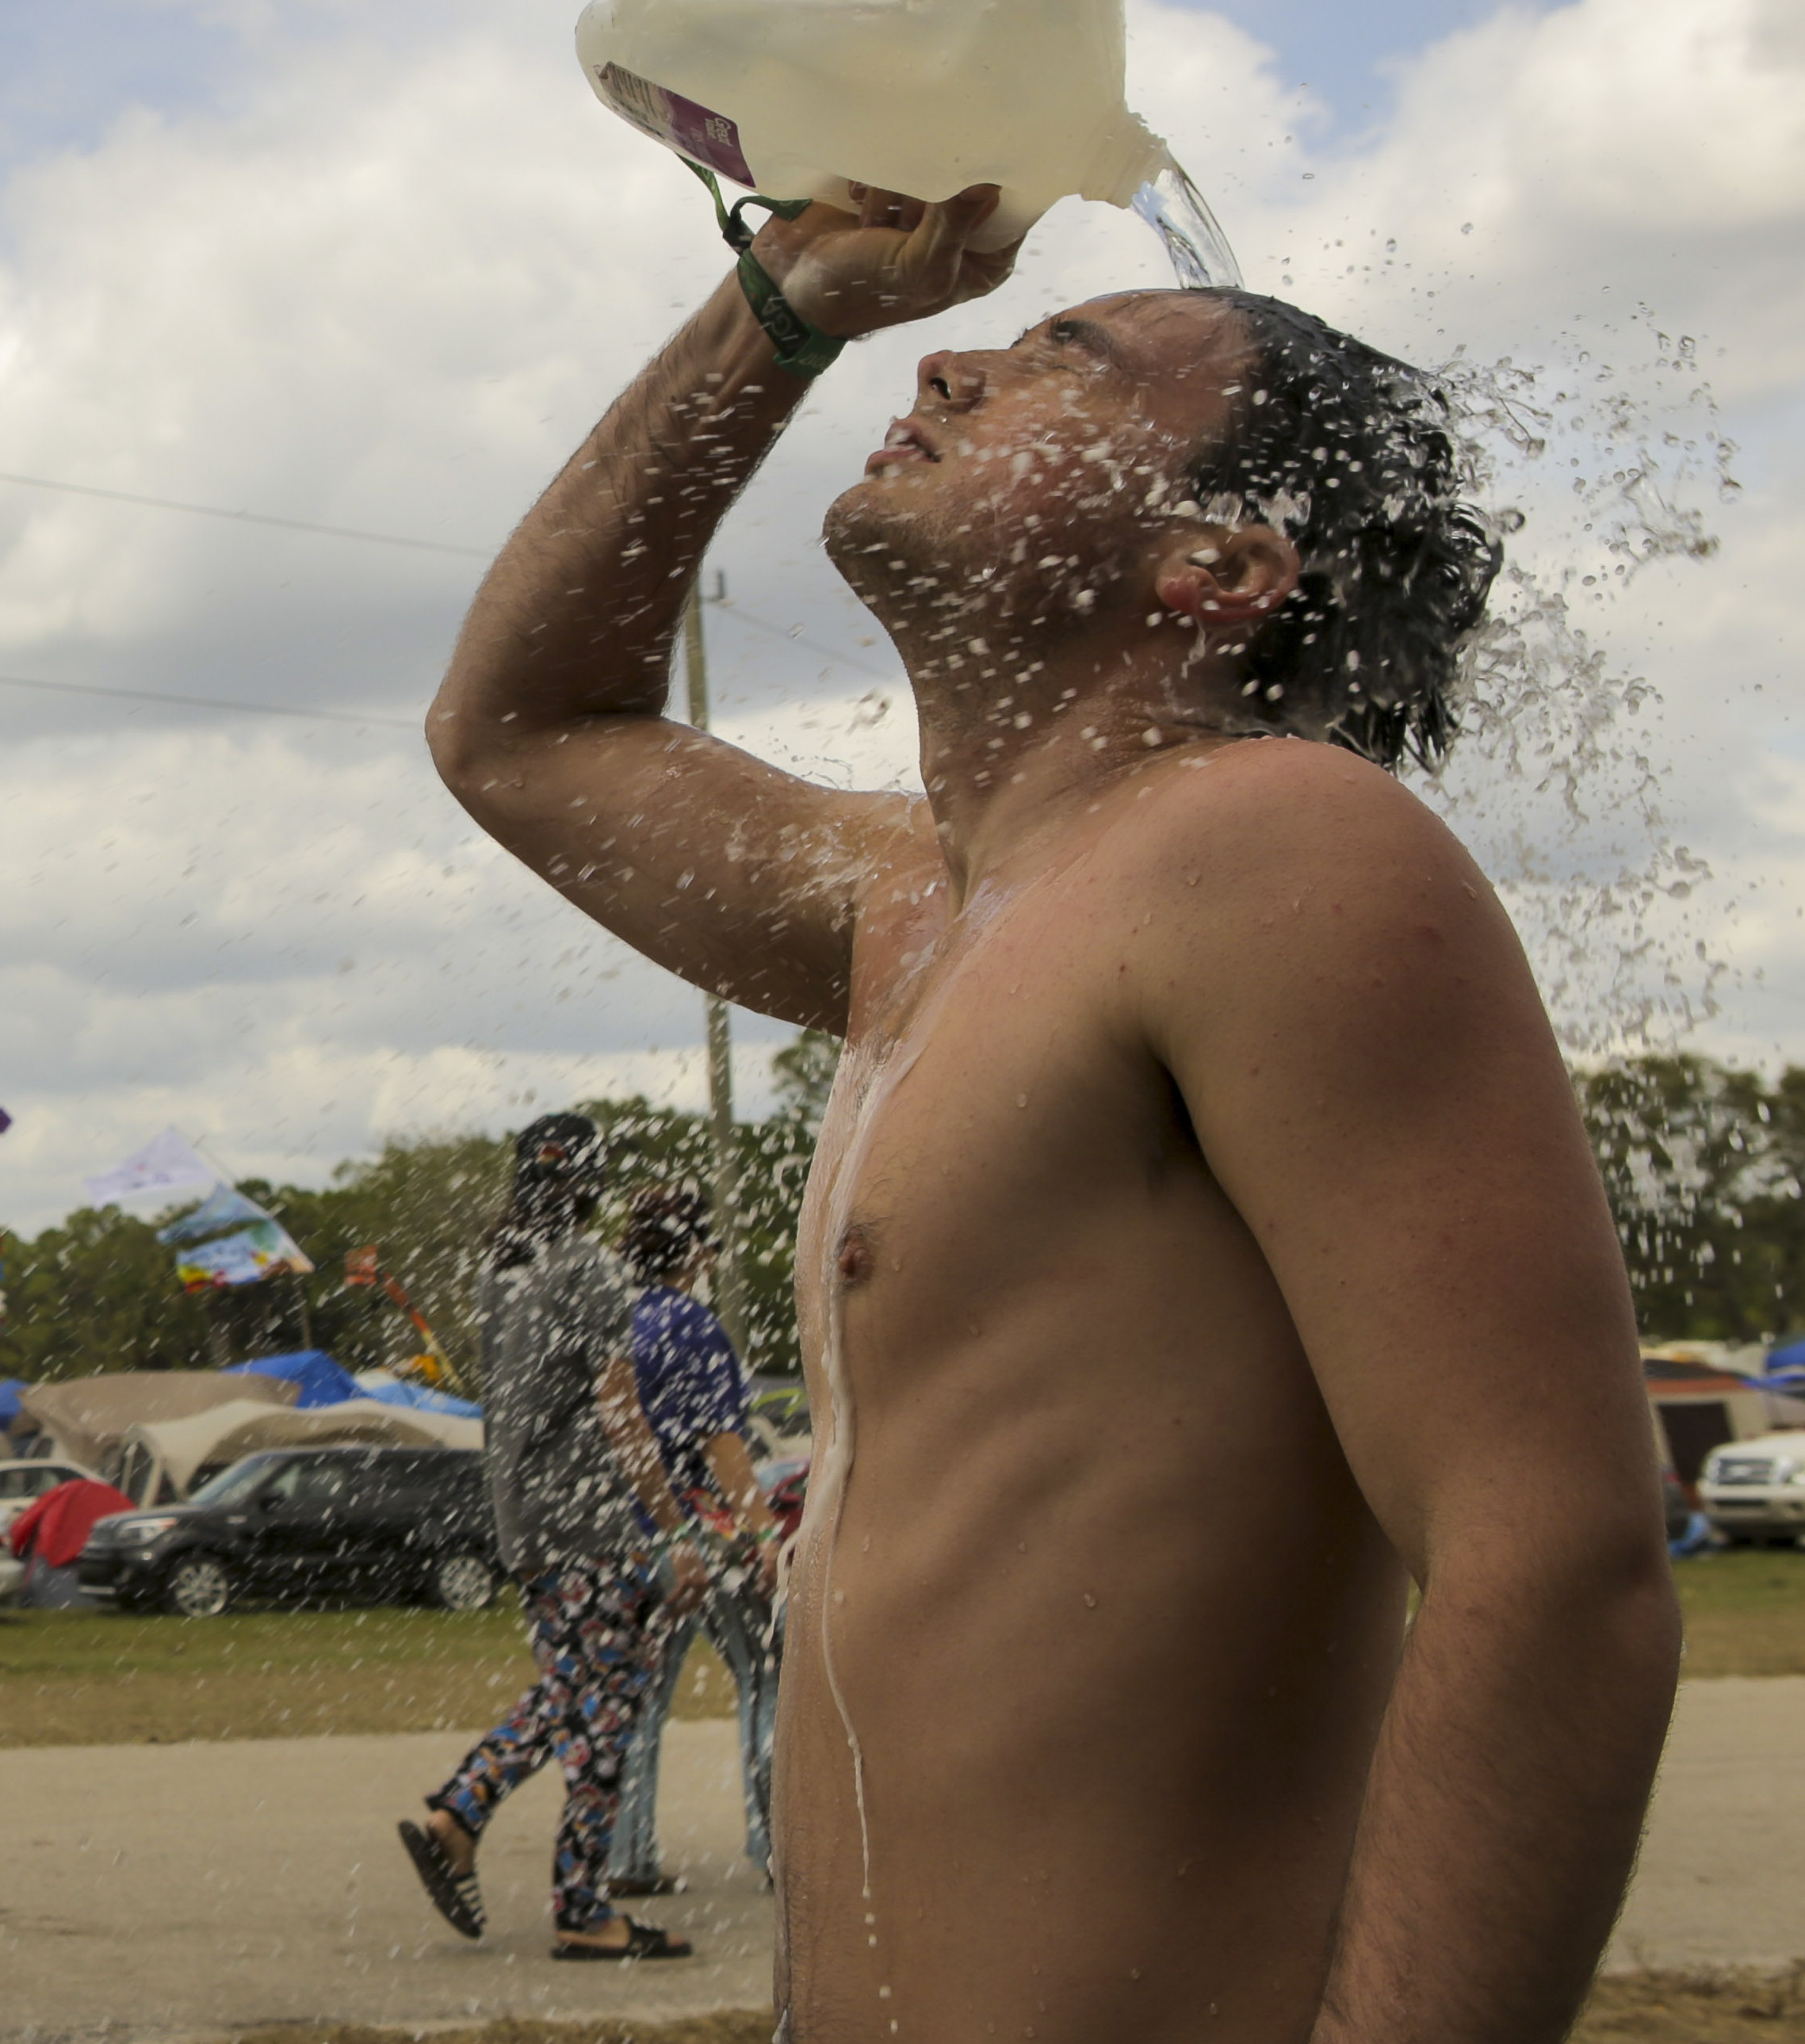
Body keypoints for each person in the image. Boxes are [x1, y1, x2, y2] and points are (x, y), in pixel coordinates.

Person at [427, 178, 1680, 2041]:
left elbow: (1555, 1559)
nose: (947, 363)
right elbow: (518, 728)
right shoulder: (911, 906)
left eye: (1059, 363)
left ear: (1218, 564)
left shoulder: (1273, 844)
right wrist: (779, 302)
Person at [395, 1113, 699, 1962]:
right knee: (609, 1705)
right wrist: (674, 1529)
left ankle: (465, 1816)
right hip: (587, 1522)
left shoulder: (501, 1271)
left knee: (573, 1692)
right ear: (592, 1184)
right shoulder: (588, 1267)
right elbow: (620, 1406)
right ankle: (576, 1903)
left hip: (522, 1518)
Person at [602, 1185, 785, 1899]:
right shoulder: (692, 1324)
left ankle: (626, 1853)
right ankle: (775, 1842)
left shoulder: (620, 1321)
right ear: (698, 1251)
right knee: (762, 1671)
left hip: (631, 1531)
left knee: (641, 1693)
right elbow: (721, 1442)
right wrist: (763, 1530)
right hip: (696, 1531)